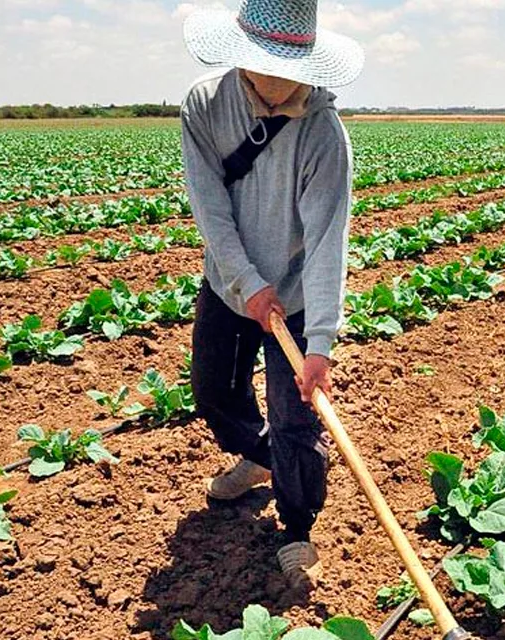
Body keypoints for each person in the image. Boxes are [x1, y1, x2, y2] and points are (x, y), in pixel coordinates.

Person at [180, 0, 363, 589]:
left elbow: (327, 238)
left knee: (296, 419)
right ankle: (258, 460)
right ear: (240, 58)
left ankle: (297, 527)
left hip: (299, 294)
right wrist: (248, 285)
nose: (277, 83)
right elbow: (209, 208)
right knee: (213, 391)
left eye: (288, 68)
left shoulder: (322, 135)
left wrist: (321, 345)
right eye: (263, 67)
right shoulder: (205, 106)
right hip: (230, 285)